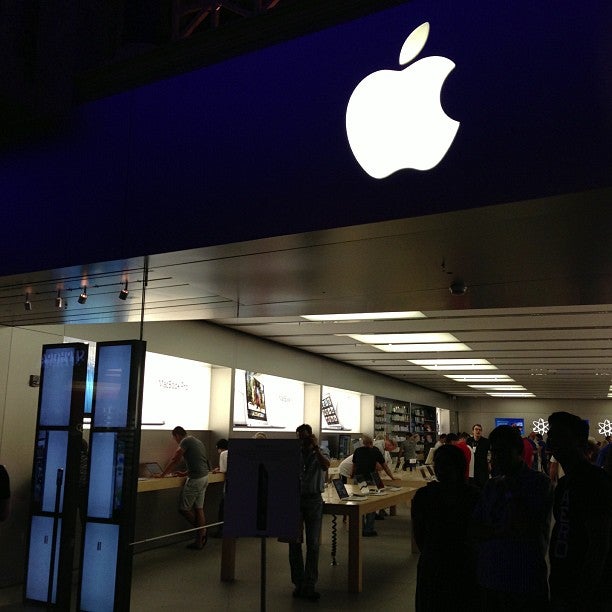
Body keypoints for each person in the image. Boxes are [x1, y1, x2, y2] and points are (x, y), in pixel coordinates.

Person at [471, 425, 552, 610]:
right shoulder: (492, 485)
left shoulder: (539, 484)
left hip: (524, 576)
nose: (497, 458)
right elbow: (477, 527)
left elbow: (522, 527)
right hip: (493, 575)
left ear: (518, 451)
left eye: (502, 452)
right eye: (494, 452)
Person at [547, 411, 612, 611]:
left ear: (579, 442)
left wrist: (584, 590)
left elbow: (599, 542)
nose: (553, 441)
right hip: (564, 585)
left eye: (560, 435)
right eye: (551, 435)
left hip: (586, 592)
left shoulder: (595, 481)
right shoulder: (565, 483)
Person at [411, 444, 480, 612]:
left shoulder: (424, 495)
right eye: (439, 464)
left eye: (445, 464)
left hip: (434, 561)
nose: (441, 469)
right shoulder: (474, 495)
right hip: (462, 562)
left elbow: (419, 533)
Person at [289, 424, 330, 601]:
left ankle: (310, 584)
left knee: (313, 543)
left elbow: (326, 465)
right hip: (294, 499)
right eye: (299, 437)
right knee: (294, 543)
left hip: (313, 500)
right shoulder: (293, 453)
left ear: (311, 436)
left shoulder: (321, 451)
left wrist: (315, 448)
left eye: (304, 437)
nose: (301, 440)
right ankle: (298, 583)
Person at [158, 426, 210, 550]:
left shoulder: (185, 441)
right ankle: (199, 541)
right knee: (199, 508)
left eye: (175, 439)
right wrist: (185, 473)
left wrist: (162, 475)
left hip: (196, 479)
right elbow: (199, 461)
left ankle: (202, 532)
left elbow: (175, 459)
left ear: (176, 435)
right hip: (204, 478)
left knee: (183, 509)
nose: (176, 442)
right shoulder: (197, 441)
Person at [351, 434, 394, 536]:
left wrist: (352, 476)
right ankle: (368, 529)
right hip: (370, 478)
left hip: (359, 478)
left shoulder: (357, 451)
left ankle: (359, 527)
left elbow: (354, 465)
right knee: (371, 503)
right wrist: (392, 477)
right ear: (372, 443)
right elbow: (385, 466)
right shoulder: (375, 451)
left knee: (359, 502)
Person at [211, 438, 228, 537]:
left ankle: (221, 531)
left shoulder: (223, 453)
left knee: (223, 508)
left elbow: (224, 470)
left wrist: (217, 470)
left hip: (229, 486)